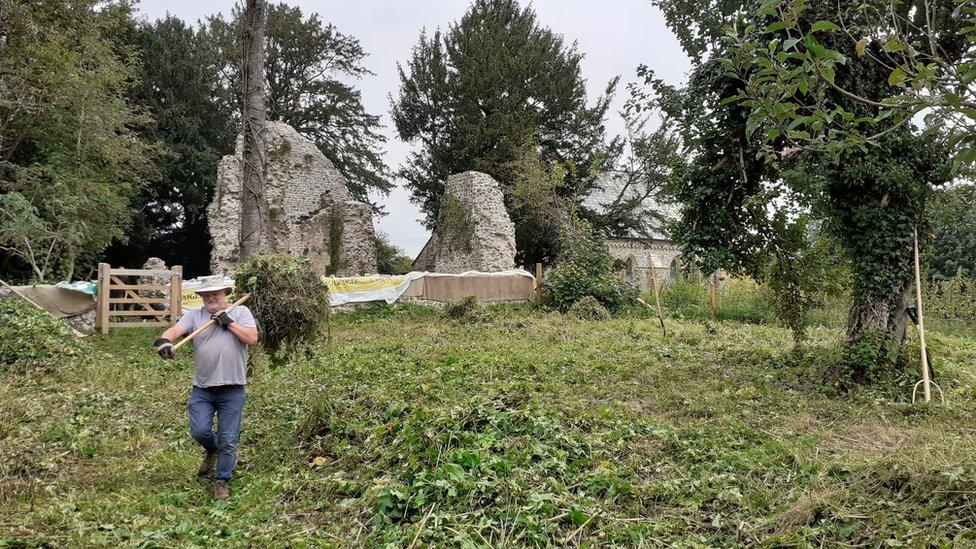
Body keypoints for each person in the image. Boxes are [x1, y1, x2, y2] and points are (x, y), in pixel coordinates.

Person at [153, 281, 258, 501]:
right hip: (203, 388)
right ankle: (213, 449)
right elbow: (175, 330)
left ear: (225, 294)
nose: (210, 298)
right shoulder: (194, 316)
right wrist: (165, 340)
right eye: (206, 295)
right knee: (199, 431)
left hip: (232, 388)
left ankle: (222, 481)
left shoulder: (240, 311)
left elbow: (252, 339)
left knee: (229, 439)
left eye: (215, 294)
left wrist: (227, 322)